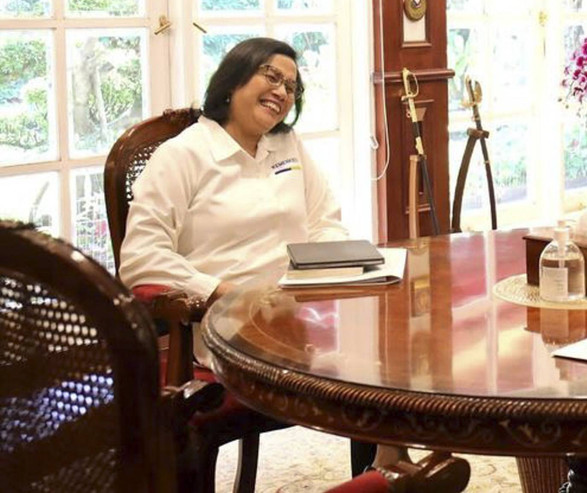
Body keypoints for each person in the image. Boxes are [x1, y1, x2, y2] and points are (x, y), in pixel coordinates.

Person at [118, 37, 396, 473]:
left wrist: (333, 270)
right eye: (272, 76)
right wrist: (225, 293)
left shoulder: (287, 146)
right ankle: (391, 475)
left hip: (299, 315)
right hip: (227, 329)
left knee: (384, 356)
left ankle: (382, 473)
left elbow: (324, 221)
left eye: (292, 86)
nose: (283, 92)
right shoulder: (182, 156)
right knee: (366, 374)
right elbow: (140, 257)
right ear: (232, 81)